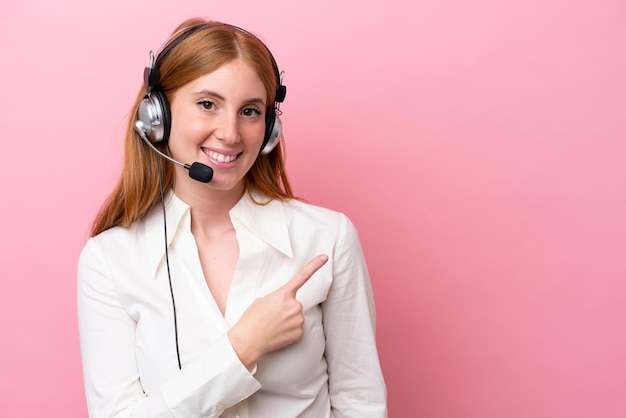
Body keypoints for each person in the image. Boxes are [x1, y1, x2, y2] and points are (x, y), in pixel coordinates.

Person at [77, 17, 387, 418]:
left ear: (270, 127)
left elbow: (360, 403)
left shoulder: (328, 239)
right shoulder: (110, 260)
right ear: (158, 116)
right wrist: (242, 347)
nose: (230, 133)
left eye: (250, 111)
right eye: (207, 104)